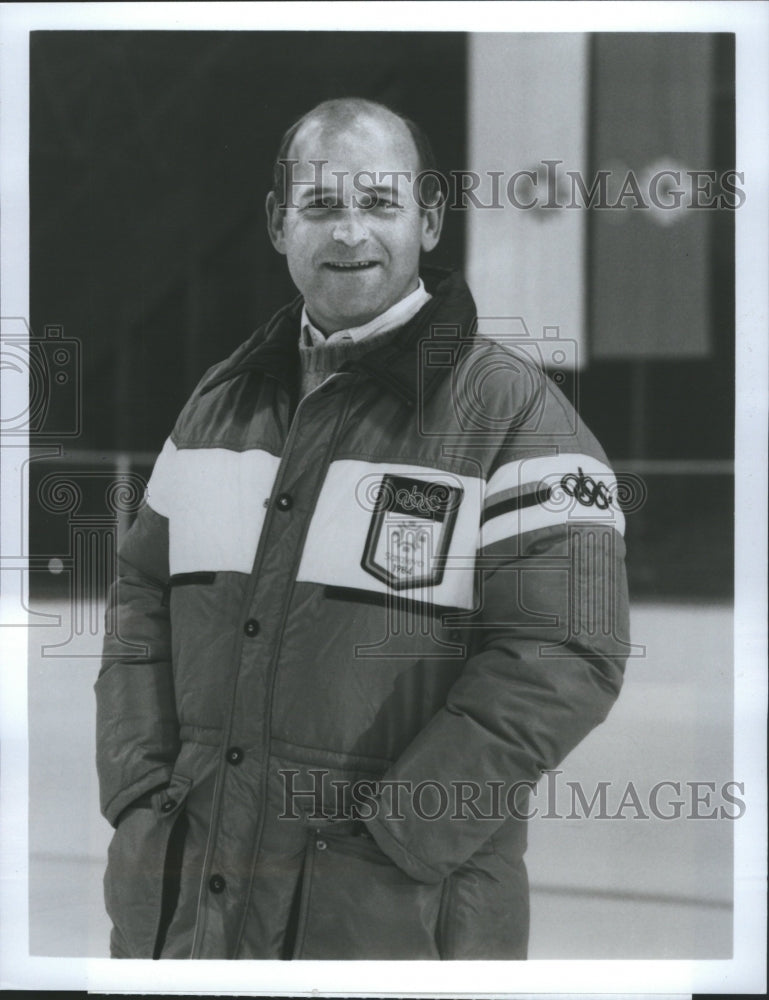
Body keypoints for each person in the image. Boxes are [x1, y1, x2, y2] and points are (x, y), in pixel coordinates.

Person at [95, 97, 630, 960]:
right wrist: (137, 787)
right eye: (320, 205)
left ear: (429, 219)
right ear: (278, 225)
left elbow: (568, 652)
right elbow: (137, 597)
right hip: (184, 908)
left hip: (390, 924)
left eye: (379, 203)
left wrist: (399, 839)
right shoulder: (216, 405)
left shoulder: (515, 416)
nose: (349, 233)